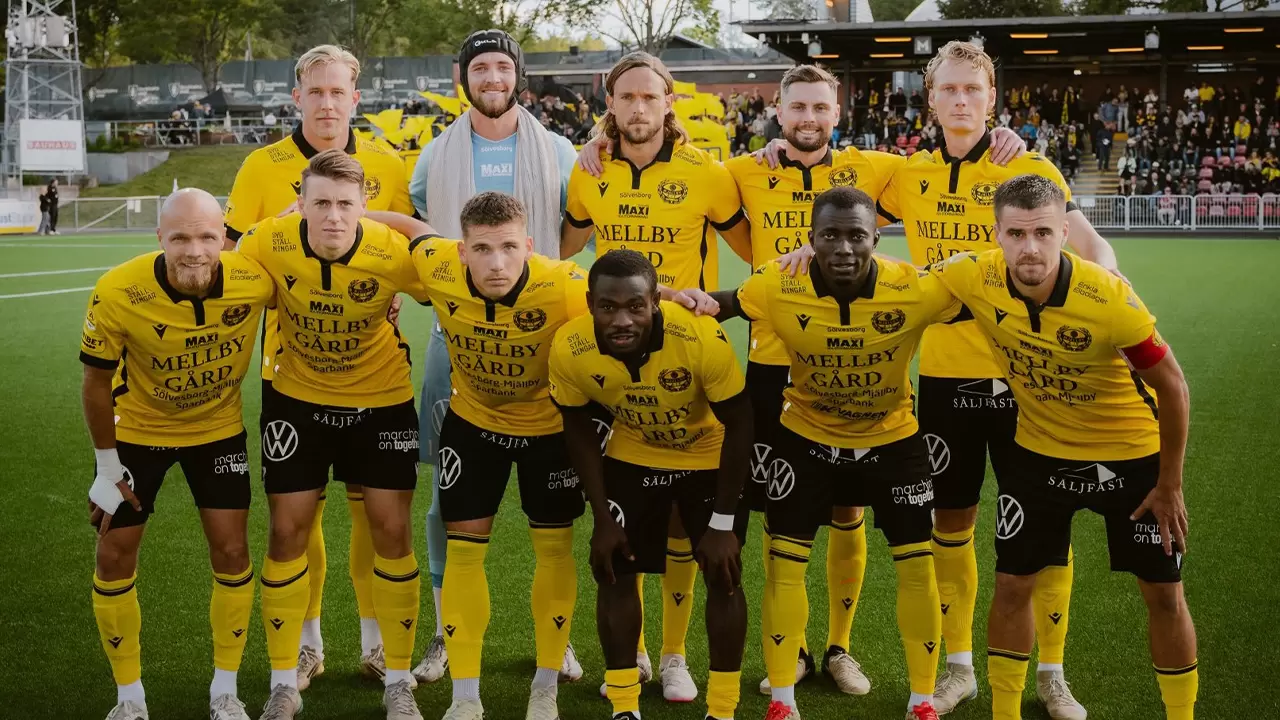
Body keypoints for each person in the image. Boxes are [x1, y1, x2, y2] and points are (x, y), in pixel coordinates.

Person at [872, 40, 1119, 720]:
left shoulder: (1029, 166)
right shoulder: (908, 173)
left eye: (972, 89)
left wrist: (1111, 291)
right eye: (949, 89)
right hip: (944, 381)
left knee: (1045, 524)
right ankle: (959, 669)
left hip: (1030, 381)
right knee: (951, 520)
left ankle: (1052, 674)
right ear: (930, 100)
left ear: (991, 98)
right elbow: (828, 188)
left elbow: (1092, 245)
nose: (961, 100)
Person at [927, 174, 1198, 720]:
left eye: (1043, 233)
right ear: (997, 234)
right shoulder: (972, 274)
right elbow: (898, 284)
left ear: (1064, 233)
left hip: (1130, 459)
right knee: (1011, 585)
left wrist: (1169, 484)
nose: (1030, 248)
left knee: (1165, 595)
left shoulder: (1108, 297)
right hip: (1039, 455)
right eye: (1016, 234)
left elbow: (1173, 387)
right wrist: (811, 255)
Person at [696, 186, 962, 720]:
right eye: (830, 235)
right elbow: (720, 304)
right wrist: (668, 300)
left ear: (876, 238)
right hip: (806, 440)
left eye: (857, 235)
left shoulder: (916, 288)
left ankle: (922, 702)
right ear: (810, 240)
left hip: (893, 441)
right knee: (784, 567)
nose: (843, 247)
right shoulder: (777, 283)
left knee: (917, 568)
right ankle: (782, 701)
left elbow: (995, 291)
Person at [222, 43, 416, 688]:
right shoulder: (261, 165)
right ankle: (307, 644)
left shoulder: (388, 161)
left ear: (356, 99)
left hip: (374, 368)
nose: (327, 103)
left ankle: (375, 642)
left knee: (372, 512)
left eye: (338, 92)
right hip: (293, 367)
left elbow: (406, 246)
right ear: (296, 97)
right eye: (315, 91)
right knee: (297, 517)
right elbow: (231, 261)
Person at [565, 51, 749, 703]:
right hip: (612, 356)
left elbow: (756, 253)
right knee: (627, 507)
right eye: (627, 97)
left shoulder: (708, 173)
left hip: (687, 352)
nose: (638, 107)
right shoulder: (589, 171)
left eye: (650, 96)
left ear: (669, 103)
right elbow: (562, 250)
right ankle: (636, 652)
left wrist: (710, 300)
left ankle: (674, 655)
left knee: (679, 521)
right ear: (609, 104)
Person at [372, 192, 594, 720]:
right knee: (464, 554)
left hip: (550, 431)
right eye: (483, 249)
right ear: (462, 250)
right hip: (474, 426)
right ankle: (465, 697)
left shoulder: (563, 283)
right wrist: (348, 214)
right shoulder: (439, 265)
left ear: (529, 245)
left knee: (554, 552)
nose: (497, 263)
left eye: (509, 247)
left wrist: (691, 299)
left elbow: (630, 298)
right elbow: (413, 228)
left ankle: (545, 688)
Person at [407, 30, 583, 685]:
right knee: (444, 495)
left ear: (518, 75)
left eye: (502, 66)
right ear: (464, 77)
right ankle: (444, 631)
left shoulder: (557, 150)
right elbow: (419, 228)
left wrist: (543, 276)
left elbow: (576, 227)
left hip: (541, 338)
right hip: (455, 340)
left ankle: (558, 640)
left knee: (554, 511)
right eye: (479, 67)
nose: (491, 77)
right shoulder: (434, 154)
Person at [238, 150, 430, 720]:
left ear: (364, 205)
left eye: (346, 204)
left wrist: (412, 227)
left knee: (391, 531)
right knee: (286, 532)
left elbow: (451, 272)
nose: (333, 216)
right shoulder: (267, 241)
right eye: (320, 203)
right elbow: (225, 280)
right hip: (297, 401)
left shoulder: (391, 252)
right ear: (300, 204)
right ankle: (284, 682)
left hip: (381, 402)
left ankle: (397, 678)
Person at [82, 189, 274, 720]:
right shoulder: (118, 290)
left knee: (232, 552)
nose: (195, 251)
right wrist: (106, 466)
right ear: (159, 238)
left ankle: (225, 691)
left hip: (217, 433)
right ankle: (129, 698)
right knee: (113, 556)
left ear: (223, 238)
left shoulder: (254, 279)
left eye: (208, 237)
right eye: (180, 238)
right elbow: (95, 383)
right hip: (136, 435)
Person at [549, 249, 752, 720]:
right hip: (636, 448)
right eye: (608, 307)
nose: (622, 320)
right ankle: (624, 706)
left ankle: (722, 710)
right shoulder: (569, 346)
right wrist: (602, 517)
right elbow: (577, 428)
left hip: (706, 451)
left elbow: (740, 423)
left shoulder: (699, 335)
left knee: (723, 573)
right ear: (590, 303)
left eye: (635, 306)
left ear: (655, 303)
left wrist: (723, 523)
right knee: (613, 567)